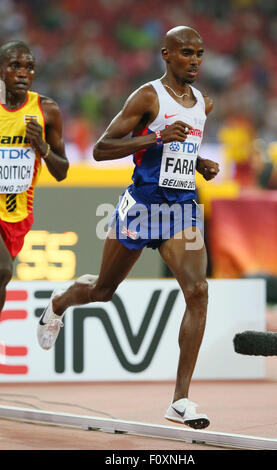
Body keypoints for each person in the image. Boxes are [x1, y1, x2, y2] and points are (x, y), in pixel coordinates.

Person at [37, 26, 219, 429]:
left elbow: (182, 150)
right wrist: (153, 138)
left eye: (200, 53)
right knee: (103, 290)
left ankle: (180, 400)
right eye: (186, 52)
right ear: (166, 54)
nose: (194, 60)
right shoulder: (148, 96)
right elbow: (102, 149)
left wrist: (199, 163)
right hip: (140, 207)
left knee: (198, 290)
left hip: (181, 208)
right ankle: (58, 303)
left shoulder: (204, 103)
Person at [0, 40, 69, 315]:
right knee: (2, 269)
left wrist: (41, 146)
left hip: (17, 215)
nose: (22, 73)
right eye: (15, 66)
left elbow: (62, 171)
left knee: (2, 276)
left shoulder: (46, 110)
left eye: (29, 67)